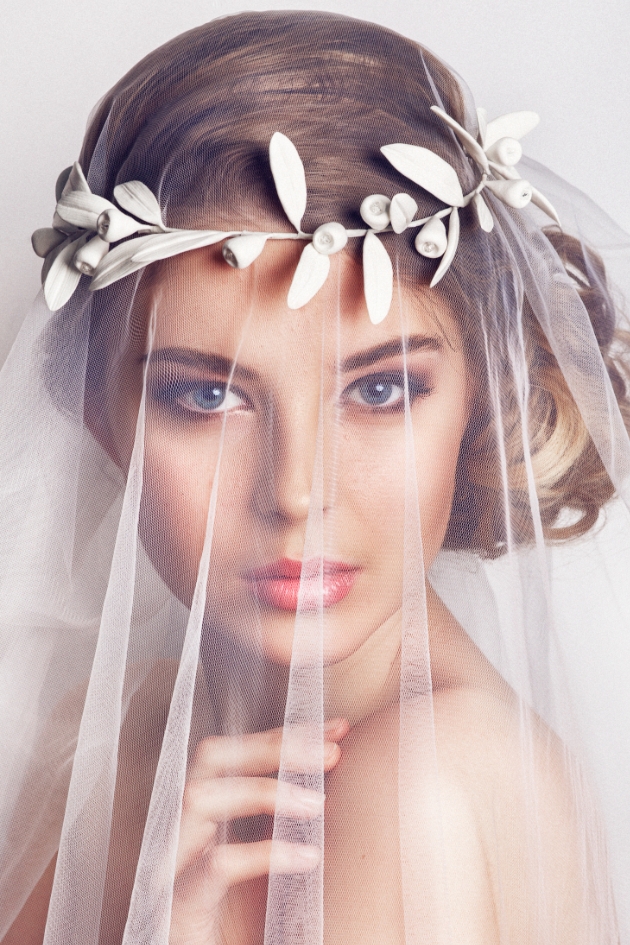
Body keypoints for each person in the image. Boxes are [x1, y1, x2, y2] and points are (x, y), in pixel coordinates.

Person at [1, 10, 630, 945]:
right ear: (103, 416)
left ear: (479, 398)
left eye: (380, 387)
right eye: (207, 398)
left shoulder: (424, 784)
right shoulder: (119, 734)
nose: (296, 490)